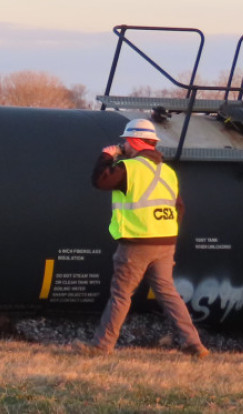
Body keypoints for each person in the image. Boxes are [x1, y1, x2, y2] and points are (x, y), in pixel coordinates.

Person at [76, 118, 210, 358]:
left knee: (121, 294)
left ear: (135, 141)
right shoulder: (168, 172)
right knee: (168, 294)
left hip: (137, 243)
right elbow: (180, 208)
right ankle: (194, 344)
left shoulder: (131, 168)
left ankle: (101, 345)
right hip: (166, 242)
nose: (123, 146)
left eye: (125, 142)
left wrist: (107, 155)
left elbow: (100, 181)